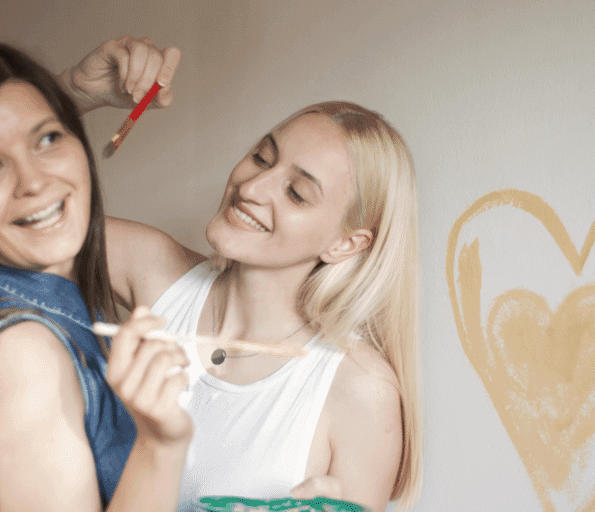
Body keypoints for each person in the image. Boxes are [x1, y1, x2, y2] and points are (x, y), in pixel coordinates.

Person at [58, 39, 423, 512]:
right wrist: (71, 93)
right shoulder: (154, 271)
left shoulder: (360, 390)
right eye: (262, 158)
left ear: (345, 244)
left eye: (296, 192)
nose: (250, 187)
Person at [0, 41, 191, 511]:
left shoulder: (24, 299)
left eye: (48, 139)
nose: (32, 181)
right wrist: (161, 447)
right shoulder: (23, 359)